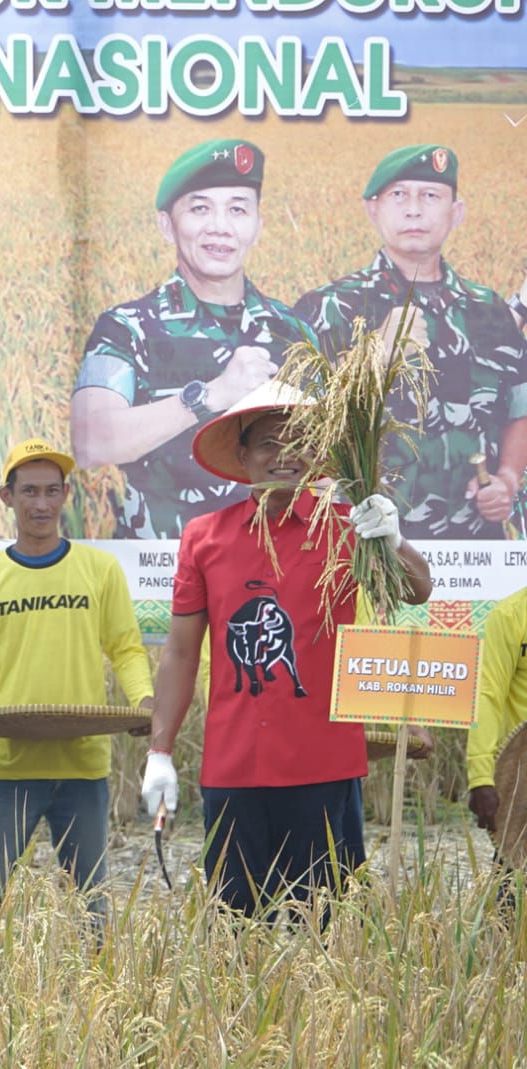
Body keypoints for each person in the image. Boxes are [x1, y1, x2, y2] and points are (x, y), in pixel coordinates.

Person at [141, 382, 433, 919]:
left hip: (323, 766)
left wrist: (393, 539)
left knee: (328, 932)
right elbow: (180, 654)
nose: (284, 455)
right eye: (269, 444)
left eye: (298, 440)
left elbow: (416, 590)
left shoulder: (348, 529)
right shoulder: (204, 537)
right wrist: (160, 751)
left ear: (317, 454)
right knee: (233, 930)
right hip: (233, 768)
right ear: (243, 456)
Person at [71, 139, 315, 539]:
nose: (220, 226)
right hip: (159, 573)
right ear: (167, 225)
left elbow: (324, 463)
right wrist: (211, 395)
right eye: (200, 208)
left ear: (257, 225)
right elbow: (91, 441)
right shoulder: (126, 327)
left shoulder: (293, 330)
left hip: (270, 570)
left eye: (237, 209)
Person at [295, 145, 527, 539]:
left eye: (430, 196)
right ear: (373, 210)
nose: (414, 209)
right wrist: (375, 360)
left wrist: (506, 478)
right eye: (399, 195)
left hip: (475, 545)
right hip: (371, 547)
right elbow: (299, 429)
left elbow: (519, 406)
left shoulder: (488, 309)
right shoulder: (328, 308)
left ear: (457, 213)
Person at [0, 439, 153, 924]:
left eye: (51, 491)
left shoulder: (99, 570)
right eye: (29, 491)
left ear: (66, 495)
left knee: (91, 901)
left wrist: (144, 701)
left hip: (81, 764)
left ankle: (97, 991)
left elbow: (126, 649)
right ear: (7, 497)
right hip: (7, 768)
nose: (41, 504)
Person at [467, 584, 527, 840]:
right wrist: (481, 777)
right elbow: (487, 696)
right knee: (513, 874)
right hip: (522, 781)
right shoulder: (511, 615)